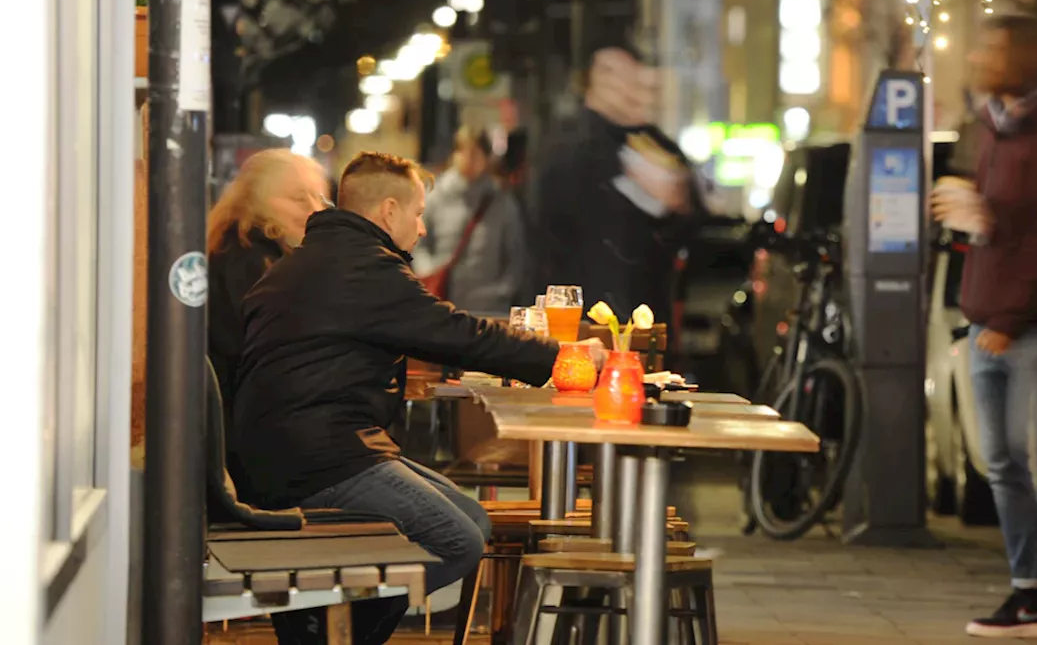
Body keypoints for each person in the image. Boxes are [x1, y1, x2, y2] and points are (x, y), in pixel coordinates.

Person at [234, 151, 598, 645]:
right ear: (388, 211)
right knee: (459, 540)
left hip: (292, 453)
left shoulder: (310, 261)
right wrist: (562, 357)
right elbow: (458, 333)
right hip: (317, 461)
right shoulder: (364, 267)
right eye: (419, 213)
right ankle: (325, 629)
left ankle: (327, 621)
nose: (423, 229)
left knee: (475, 519)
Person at [931, 15, 1037, 639]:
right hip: (988, 314)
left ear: (1024, 57)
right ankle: (1030, 592)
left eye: (993, 48)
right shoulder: (996, 124)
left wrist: (1009, 317)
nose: (978, 56)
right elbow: (1006, 223)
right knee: (1000, 461)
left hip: (1032, 323)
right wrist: (978, 214)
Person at [529, 44, 702, 325]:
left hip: (643, 316)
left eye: (629, 75)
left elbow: (691, 231)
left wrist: (678, 204)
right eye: (610, 73)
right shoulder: (565, 144)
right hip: (577, 318)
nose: (622, 85)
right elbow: (546, 225)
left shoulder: (659, 147)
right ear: (590, 82)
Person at [206, 148, 330, 409]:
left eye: (319, 198)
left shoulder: (258, 252)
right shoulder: (247, 261)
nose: (314, 209)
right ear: (255, 201)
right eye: (298, 198)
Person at [414, 126, 527, 313]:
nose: (468, 159)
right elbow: (418, 244)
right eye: (462, 151)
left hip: (487, 307)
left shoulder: (501, 201)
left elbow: (516, 257)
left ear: (486, 158)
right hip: (441, 301)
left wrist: (499, 292)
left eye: (475, 153)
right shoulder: (436, 194)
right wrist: (428, 272)